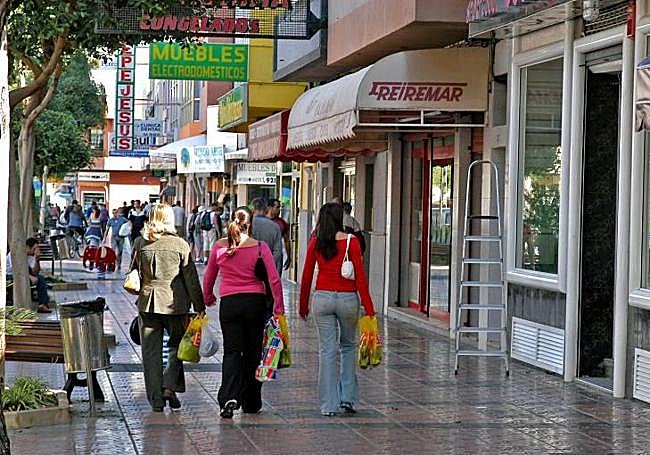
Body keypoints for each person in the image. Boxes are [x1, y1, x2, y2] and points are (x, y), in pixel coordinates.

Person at [202, 206, 285, 418]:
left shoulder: (219, 246)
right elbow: (274, 279)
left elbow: (209, 277)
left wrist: (208, 298)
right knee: (253, 353)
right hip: (254, 304)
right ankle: (251, 401)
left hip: (229, 304)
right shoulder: (260, 247)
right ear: (251, 225)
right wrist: (278, 308)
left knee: (232, 352)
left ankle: (228, 396)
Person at [299, 202, 375, 416]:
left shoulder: (316, 242)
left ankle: (328, 405)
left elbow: (306, 277)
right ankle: (348, 398)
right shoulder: (352, 242)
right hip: (348, 300)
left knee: (327, 350)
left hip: (322, 299)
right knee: (349, 346)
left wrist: (302, 305)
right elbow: (360, 277)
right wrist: (369, 309)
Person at [130, 204, 205, 413]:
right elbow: (191, 279)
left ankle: (156, 400)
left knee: (150, 353)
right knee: (176, 347)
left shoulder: (140, 242)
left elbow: (133, 272)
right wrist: (199, 306)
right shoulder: (180, 244)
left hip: (148, 303)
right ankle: (169, 386)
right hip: (176, 305)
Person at [6, 238, 52, 313]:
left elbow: (35, 272)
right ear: (27, 247)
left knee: (41, 278)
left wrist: (37, 260)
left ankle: (43, 304)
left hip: (23, 276)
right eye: (34, 248)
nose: (35, 251)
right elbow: (15, 269)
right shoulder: (15, 253)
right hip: (10, 276)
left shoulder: (31, 256)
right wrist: (29, 277)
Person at [250, 198, 283, 276]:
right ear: (265, 209)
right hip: (268, 269)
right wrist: (269, 265)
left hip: (249, 268)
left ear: (253, 209)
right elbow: (278, 251)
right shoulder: (275, 226)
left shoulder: (247, 225)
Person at [267, 198, 291, 270]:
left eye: (280, 207)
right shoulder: (262, 221)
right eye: (277, 207)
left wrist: (289, 257)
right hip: (263, 255)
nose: (279, 210)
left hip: (277, 256)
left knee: (276, 279)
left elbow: (287, 240)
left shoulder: (282, 223)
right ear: (270, 208)